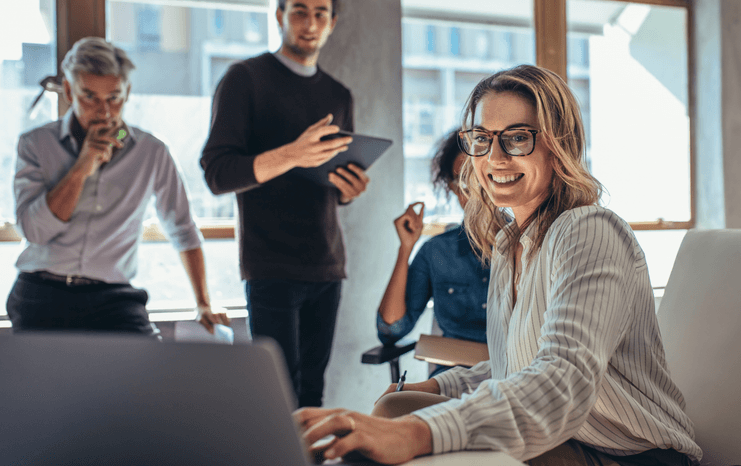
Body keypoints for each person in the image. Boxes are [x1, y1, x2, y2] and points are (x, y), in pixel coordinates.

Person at [294, 65, 703, 466]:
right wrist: (437, 384)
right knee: (397, 405)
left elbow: (560, 379)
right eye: (482, 139)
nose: (495, 158)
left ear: (558, 144)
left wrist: (418, 433)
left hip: (631, 454)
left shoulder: (590, 230)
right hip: (568, 437)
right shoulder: (508, 244)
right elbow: (514, 368)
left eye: (518, 138)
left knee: (406, 434)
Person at [200, 0, 369, 408]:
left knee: (312, 394)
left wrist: (349, 188)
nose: (310, 23)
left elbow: (332, 185)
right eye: (299, 11)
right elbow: (218, 173)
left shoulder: (338, 94)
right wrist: (292, 153)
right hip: (270, 265)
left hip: (327, 263)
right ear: (278, 15)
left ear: (332, 22)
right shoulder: (245, 79)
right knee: (277, 397)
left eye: (320, 13)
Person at [8, 37, 228, 336]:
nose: (104, 112)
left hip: (113, 297)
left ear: (127, 93)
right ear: (70, 92)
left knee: (147, 374)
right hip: (41, 291)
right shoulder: (35, 144)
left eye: (114, 98)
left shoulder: (152, 152)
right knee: (43, 382)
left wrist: (204, 303)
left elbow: (183, 229)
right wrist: (80, 169)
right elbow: (34, 232)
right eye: (90, 97)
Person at [376, 129, 489, 377]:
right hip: (450, 379)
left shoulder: (529, 246)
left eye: (478, 178)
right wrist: (405, 248)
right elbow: (391, 328)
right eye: (461, 183)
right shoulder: (437, 251)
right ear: (451, 189)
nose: (472, 192)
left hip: (513, 380)